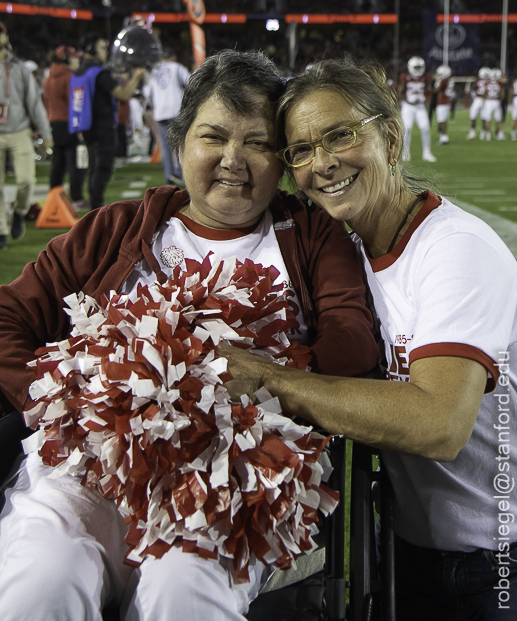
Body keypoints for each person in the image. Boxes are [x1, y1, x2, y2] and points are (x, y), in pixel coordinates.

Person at [0, 50, 379, 621]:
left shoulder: (311, 239)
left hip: (229, 486)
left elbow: (351, 343)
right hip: (90, 475)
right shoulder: (116, 229)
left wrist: (242, 389)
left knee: (183, 594)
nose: (233, 159)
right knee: (42, 582)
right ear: (180, 145)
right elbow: (9, 315)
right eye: (214, 137)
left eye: (257, 143)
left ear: (280, 161)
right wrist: (68, 398)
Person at [222, 57, 517, 621]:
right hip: (408, 545)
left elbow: (440, 424)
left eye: (341, 135)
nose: (323, 163)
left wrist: (270, 380)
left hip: (495, 555)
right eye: (301, 151)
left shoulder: (455, 249)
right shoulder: (344, 254)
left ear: (389, 134)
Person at [71, 33, 146, 209]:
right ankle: (96, 207)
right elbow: (123, 94)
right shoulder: (99, 73)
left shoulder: (79, 72)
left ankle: (93, 205)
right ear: (91, 49)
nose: (105, 51)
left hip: (86, 126)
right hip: (102, 126)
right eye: (102, 48)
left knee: (93, 168)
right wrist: (137, 77)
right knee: (102, 168)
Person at [0, 21, 52, 249]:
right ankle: (1, 230)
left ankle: (20, 212)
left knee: (26, 181)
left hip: (19, 130)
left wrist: (45, 133)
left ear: (6, 37)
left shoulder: (20, 69)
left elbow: (35, 105)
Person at [42, 45, 88, 210]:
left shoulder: (48, 77)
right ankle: (76, 198)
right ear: (67, 59)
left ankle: (54, 196)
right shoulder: (70, 77)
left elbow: (45, 102)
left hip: (54, 122)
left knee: (58, 162)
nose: (78, 60)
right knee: (76, 162)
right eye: (75, 57)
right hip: (70, 123)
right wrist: (81, 126)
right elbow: (75, 104)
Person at [143, 47, 190, 184]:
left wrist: (154, 104)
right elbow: (191, 82)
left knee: (166, 146)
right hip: (177, 110)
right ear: (173, 57)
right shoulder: (177, 67)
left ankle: (169, 177)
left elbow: (147, 93)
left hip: (161, 112)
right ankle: (181, 174)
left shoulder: (154, 71)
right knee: (182, 144)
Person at [398, 55, 436, 162]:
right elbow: (401, 90)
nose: (418, 70)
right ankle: (405, 153)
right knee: (407, 128)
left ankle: (427, 153)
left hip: (420, 106)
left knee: (425, 128)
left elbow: (428, 91)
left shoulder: (426, 77)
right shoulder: (405, 77)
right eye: (416, 68)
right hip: (408, 106)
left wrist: (426, 99)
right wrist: (402, 99)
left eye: (420, 67)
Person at [481, 68, 505, 141]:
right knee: (499, 119)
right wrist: (499, 100)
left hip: (489, 101)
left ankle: (488, 136)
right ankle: (500, 134)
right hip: (496, 101)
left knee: (488, 119)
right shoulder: (499, 83)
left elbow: (484, 93)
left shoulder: (487, 82)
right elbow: (502, 94)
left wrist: (484, 100)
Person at [434, 64, 454, 146]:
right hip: (447, 101)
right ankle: (443, 136)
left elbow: (436, 90)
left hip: (443, 101)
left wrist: (437, 81)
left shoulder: (444, 80)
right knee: (443, 120)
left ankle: (444, 137)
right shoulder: (449, 80)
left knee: (441, 120)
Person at [467, 66, 490, 140]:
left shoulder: (476, 80)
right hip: (485, 100)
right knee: (484, 116)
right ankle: (483, 133)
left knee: (473, 115)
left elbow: (473, 88)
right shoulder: (489, 81)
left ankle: (473, 132)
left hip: (478, 99)